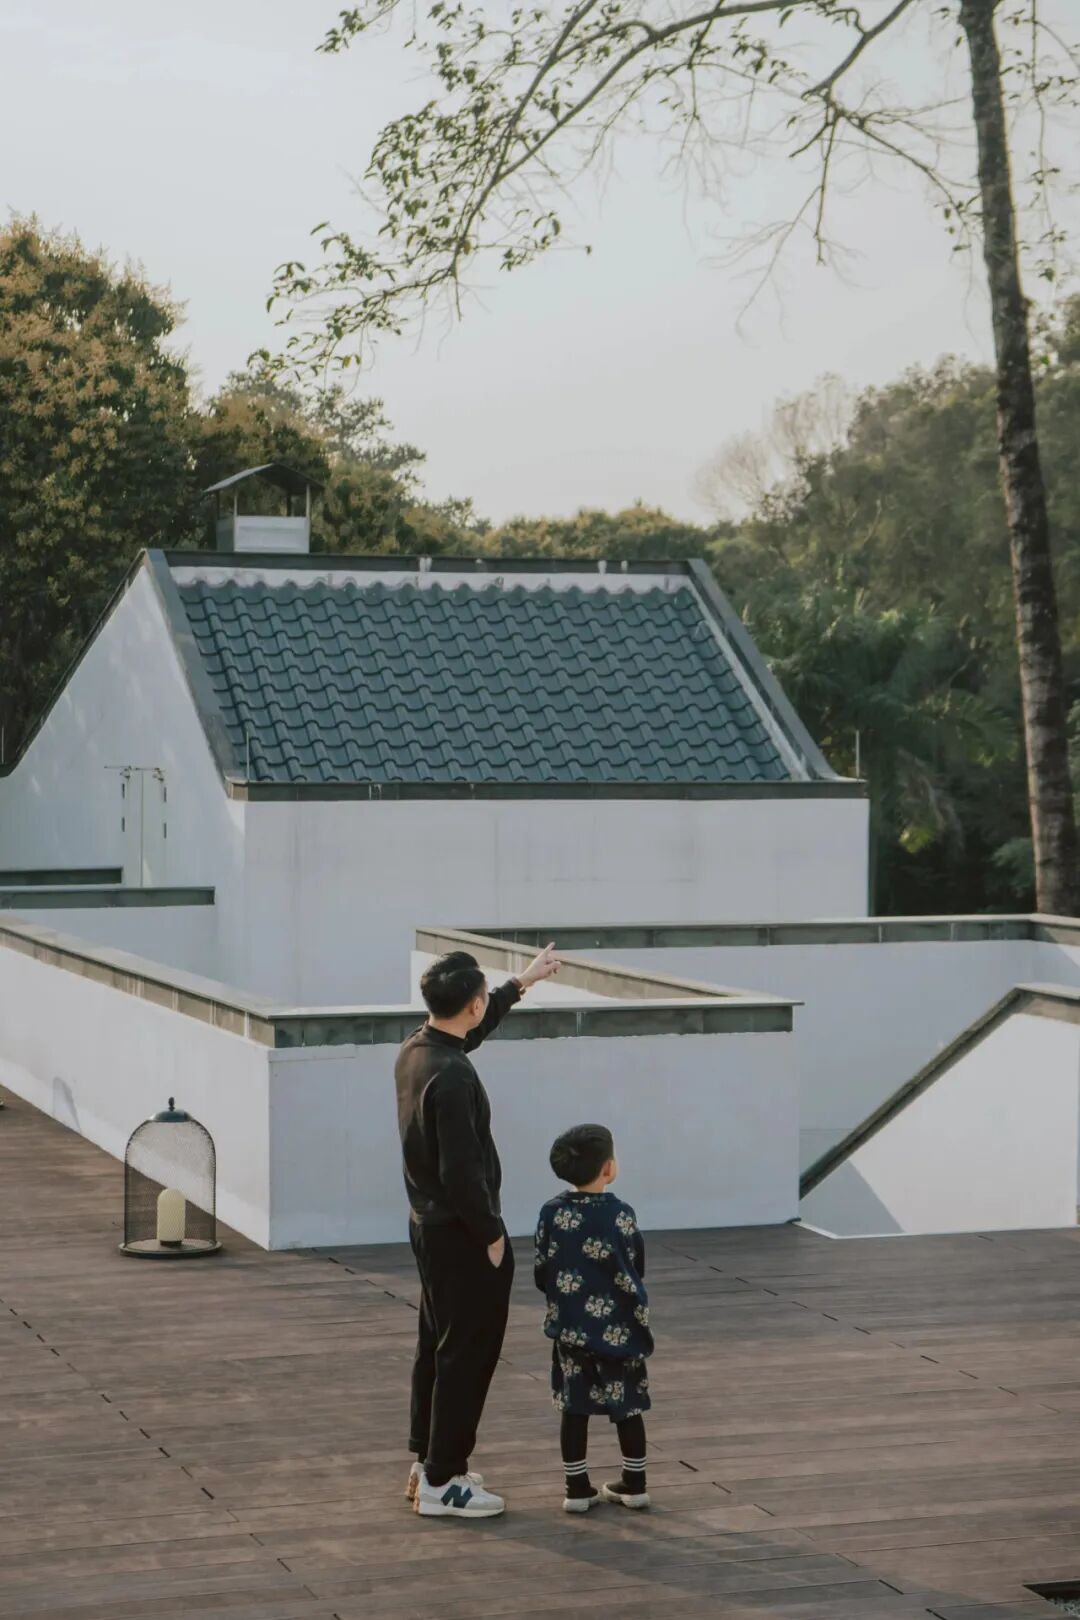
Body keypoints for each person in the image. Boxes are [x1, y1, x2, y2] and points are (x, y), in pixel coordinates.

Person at [397, 942, 562, 1519]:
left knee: (439, 1348)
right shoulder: (451, 1076)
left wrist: (522, 983)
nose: (485, 1005)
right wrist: (492, 1236)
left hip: (429, 1228)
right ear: (470, 1004)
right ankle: (444, 1482)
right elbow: (461, 1173)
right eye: (484, 998)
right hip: (463, 1235)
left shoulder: (418, 1049)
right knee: (467, 1357)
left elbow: (473, 1030)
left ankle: (430, 1462)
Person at [534, 1123, 653, 1514]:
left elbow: (542, 1269)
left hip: (572, 1328)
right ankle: (634, 1483)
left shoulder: (552, 1213)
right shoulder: (621, 1214)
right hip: (620, 1330)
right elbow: (636, 1264)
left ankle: (577, 1488)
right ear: (608, 1168)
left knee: (575, 1407)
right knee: (627, 1405)